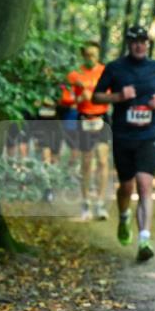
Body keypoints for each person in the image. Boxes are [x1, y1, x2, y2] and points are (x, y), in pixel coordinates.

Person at [92, 26, 155, 262]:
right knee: (126, 187)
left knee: (145, 184)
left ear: (147, 44)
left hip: (147, 136)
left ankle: (144, 238)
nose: (139, 45)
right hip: (123, 136)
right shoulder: (115, 68)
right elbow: (96, 96)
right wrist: (117, 97)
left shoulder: (154, 67)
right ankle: (124, 215)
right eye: (135, 41)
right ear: (128, 43)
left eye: (143, 41)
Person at [67, 41, 110, 221]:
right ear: (83, 55)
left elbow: (111, 95)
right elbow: (69, 98)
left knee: (102, 161)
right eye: (88, 55)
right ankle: (85, 203)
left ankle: (100, 203)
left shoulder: (105, 72)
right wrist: (80, 96)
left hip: (101, 118)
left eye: (94, 54)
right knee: (86, 162)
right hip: (84, 119)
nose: (91, 58)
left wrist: (96, 97)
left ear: (98, 55)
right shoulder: (76, 74)